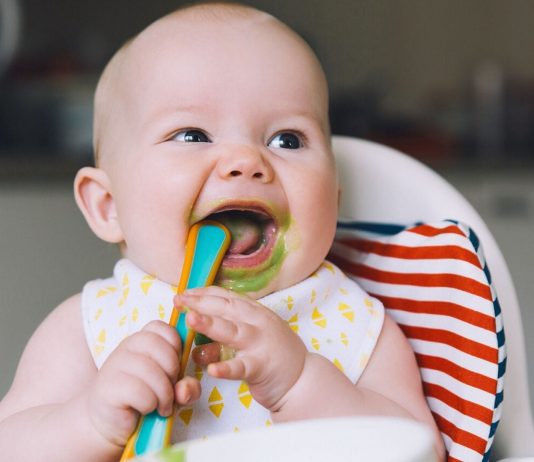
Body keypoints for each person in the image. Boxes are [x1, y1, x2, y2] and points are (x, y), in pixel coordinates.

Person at [0, 3, 445, 461]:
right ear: (108, 206)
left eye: (286, 140)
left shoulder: (355, 325)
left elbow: (419, 450)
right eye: (192, 135)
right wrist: (88, 422)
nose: (246, 162)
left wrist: (303, 383)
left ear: (333, 201)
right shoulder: (87, 328)